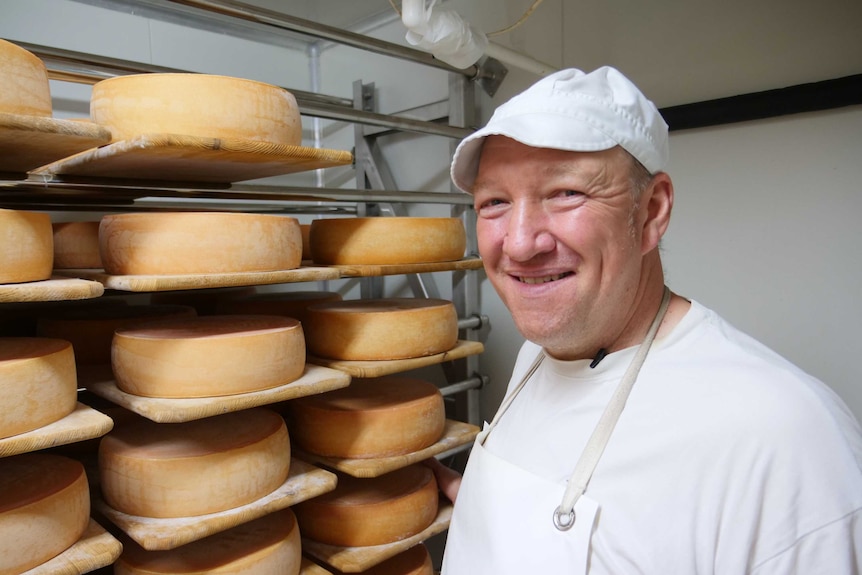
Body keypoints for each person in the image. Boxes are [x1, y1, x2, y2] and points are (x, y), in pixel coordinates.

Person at [431, 66, 862, 574]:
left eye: (565, 193)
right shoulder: (539, 355)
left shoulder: (784, 433)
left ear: (652, 212)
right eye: (495, 202)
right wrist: (480, 501)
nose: (521, 243)